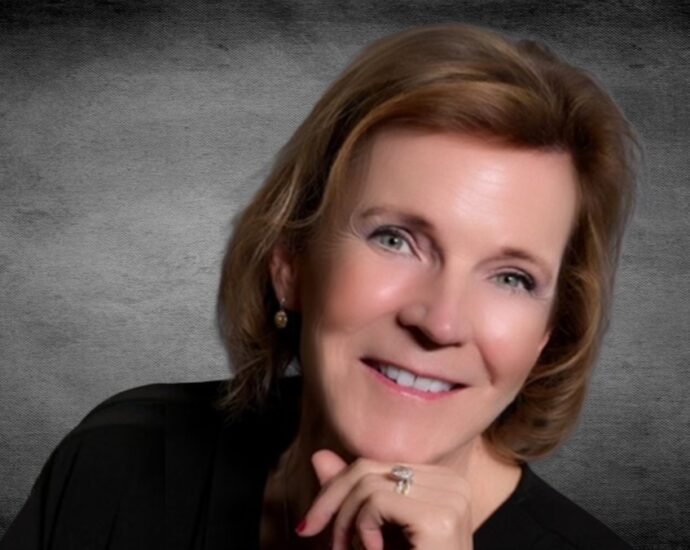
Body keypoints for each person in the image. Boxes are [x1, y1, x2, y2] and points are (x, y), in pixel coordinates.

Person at [1, 23, 637, 549]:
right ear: (290, 262)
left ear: (549, 334)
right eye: (396, 240)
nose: (441, 323)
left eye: (512, 278)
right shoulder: (121, 463)